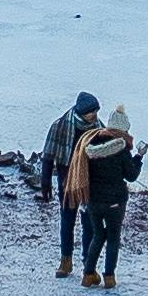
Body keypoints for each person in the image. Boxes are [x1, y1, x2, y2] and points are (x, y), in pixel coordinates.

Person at [70, 109, 145, 286]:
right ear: (123, 129)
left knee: (98, 235)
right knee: (113, 237)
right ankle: (109, 277)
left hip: (93, 201)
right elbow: (131, 175)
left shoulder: (92, 145)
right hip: (115, 202)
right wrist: (139, 157)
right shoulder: (121, 149)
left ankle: (88, 274)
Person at [36, 91, 99, 265]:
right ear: (81, 112)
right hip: (67, 182)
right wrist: (45, 182)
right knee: (67, 220)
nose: (94, 115)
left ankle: (88, 262)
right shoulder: (60, 126)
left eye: (96, 111)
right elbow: (48, 156)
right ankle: (65, 261)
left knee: (89, 223)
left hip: (89, 182)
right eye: (91, 111)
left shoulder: (99, 129)